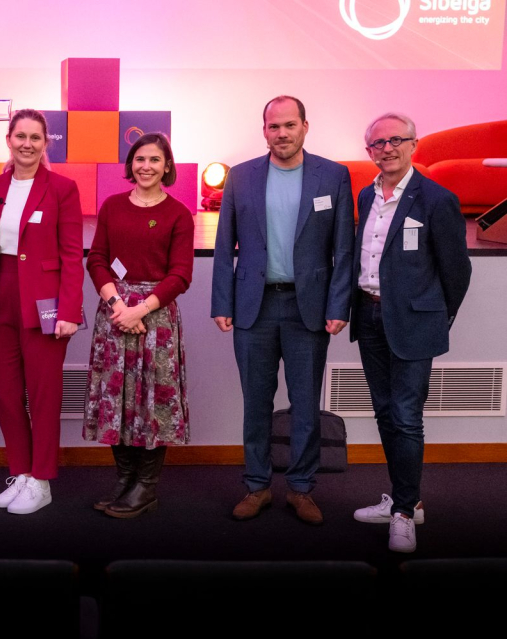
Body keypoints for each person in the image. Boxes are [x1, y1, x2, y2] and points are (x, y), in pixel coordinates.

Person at [211, 96, 354, 525]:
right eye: (274, 126)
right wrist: (222, 302)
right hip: (253, 307)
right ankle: (256, 486)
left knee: (305, 404)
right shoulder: (241, 176)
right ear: (264, 131)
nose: (282, 133)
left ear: (305, 127)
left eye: (290, 125)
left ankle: (301, 488)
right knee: (256, 402)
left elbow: (343, 249)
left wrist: (339, 304)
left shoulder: (333, 175)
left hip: (308, 308)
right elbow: (225, 247)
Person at [350, 113, 471, 553]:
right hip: (369, 316)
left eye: (396, 140)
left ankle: (402, 514)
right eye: (378, 143)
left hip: (415, 321)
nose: (388, 149)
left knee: (405, 416)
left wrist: (437, 316)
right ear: (369, 151)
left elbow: (457, 271)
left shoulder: (437, 199)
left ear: (413, 144)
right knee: (385, 413)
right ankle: (408, 500)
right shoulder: (366, 195)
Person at [0, 108, 84, 515]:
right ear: (9, 140)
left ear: (45, 142)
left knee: (44, 394)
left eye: (36, 137)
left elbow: (72, 255)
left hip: (46, 304)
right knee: (5, 393)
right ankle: (21, 472)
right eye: (21, 136)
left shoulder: (62, 188)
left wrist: (70, 310)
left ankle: (42, 479)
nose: (28, 144)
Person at [84, 133, 194, 519]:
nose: (146, 166)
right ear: (131, 164)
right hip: (115, 314)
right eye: (139, 159)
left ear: (167, 166)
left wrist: (140, 311)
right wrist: (118, 305)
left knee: (153, 401)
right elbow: (97, 259)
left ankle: (146, 487)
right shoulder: (112, 206)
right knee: (117, 399)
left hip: (156, 319)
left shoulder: (178, 213)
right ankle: (125, 480)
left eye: (154, 160)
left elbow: (181, 274)